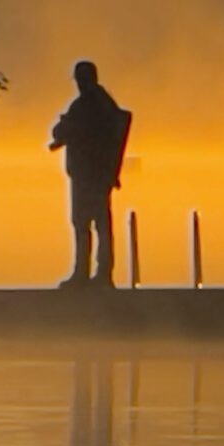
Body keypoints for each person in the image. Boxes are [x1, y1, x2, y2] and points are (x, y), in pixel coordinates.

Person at [49, 61, 131, 287]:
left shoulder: (88, 105)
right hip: (90, 173)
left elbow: (63, 131)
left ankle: (93, 274)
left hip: (90, 174)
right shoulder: (100, 103)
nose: (78, 84)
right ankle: (89, 272)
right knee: (89, 223)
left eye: (80, 79)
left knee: (91, 223)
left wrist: (65, 129)